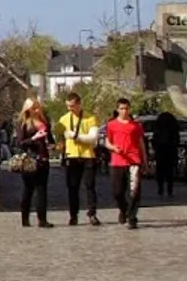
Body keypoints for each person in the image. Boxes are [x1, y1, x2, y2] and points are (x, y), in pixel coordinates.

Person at [56, 93, 102, 227]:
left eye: (73, 106)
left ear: (79, 104)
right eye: (68, 106)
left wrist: (75, 136)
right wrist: (59, 143)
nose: (70, 109)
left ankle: (92, 214)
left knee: (90, 186)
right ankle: (73, 215)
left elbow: (93, 138)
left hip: (88, 155)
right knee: (72, 187)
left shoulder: (90, 118)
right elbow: (58, 135)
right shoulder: (64, 119)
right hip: (72, 155)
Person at [104, 99, 146, 228]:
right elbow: (107, 142)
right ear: (117, 110)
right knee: (117, 192)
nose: (124, 111)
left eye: (126, 108)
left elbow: (141, 144)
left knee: (134, 191)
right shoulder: (111, 125)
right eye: (121, 108)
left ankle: (132, 217)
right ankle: (124, 209)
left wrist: (145, 160)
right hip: (117, 161)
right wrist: (113, 148)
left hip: (134, 161)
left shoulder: (136, 126)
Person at [14, 99, 53, 228]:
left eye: (38, 107)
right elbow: (20, 142)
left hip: (43, 158)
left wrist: (52, 145)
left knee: (42, 189)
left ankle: (42, 219)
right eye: (34, 108)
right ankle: (25, 218)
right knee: (28, 189)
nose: (37, 110)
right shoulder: (23, 123)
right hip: (30, 159)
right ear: (28, 109)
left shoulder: (44, 121)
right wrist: (34, 138)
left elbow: (50, 137)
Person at [151, 111, 181, 199]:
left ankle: (160, 188)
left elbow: (154, 141)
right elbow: (177, 141)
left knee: (160, 171)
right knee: (170, 172)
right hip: (170, 152)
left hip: (160, 153)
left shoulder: (158, 129)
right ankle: (169, 190)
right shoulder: (174, 130)